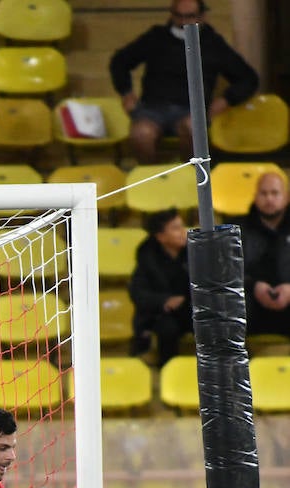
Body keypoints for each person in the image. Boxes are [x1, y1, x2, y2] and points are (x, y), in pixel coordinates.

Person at [108, 0, 258, 164]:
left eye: (190, 16)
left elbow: (248, 78)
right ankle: (152, 182)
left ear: (202, 17)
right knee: (141, 134)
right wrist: (126, 93)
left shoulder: (213, 43)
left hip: (193, 111)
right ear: (171, 14)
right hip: (152, 108)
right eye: (178, 16)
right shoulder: (156, 37)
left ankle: (192, 181)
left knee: (193, 128)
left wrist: (226, 100)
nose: (183, 22)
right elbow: (119, 61)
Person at [129, 208, 192, 366]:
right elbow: (138, 292)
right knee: (167, 327)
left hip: (191, 308)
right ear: (161, 236)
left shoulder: (195, 252)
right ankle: (168, 370)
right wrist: (165, 300)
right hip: (160, 314)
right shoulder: (147, 258)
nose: (183, 232)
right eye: (176, 228)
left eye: (182, 226)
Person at [235, 171, 290, 339]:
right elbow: (228, 271)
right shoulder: (237, 230)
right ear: (255, 196)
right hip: (251, 300)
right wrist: (254, 286)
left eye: (275, 193)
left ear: (286, 197)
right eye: (264, 193)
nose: (269, 199)